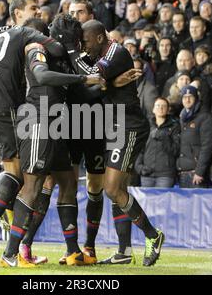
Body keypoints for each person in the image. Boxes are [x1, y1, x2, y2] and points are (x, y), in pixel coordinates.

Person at [0, 17, 105, 268]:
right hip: (37, 119)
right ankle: (10, 252)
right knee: (33, 187)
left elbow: (82, 92)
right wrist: (82, 79)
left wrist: (104, 85)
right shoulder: (39, 49)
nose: (79, 43)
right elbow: (42, 76)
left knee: (68, 182)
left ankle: (72, 251)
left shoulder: (68, 58)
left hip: (56, 125)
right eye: (76, 37)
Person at [62, 19, 165, 266]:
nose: (84, 47)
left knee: (111, 188)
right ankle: (124, 252)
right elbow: (89, 88)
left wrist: (77, 55)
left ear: (99, 37)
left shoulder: (116, 52)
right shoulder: (103, 55)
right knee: (119, 190)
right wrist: (108, 84)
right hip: (117, 126)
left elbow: (91, 81)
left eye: (85, 42)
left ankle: (153, 235)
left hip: (129, 126)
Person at [0, 0, 64, 262]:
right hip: (7, 108)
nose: (38, 13)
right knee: (21, 176)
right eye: (33, 9)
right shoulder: (24, 33)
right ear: (17, 14)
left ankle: (8, 233)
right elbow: (57, 49)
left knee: (19, 174)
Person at [135, 97, 180, 188]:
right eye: (158, 105)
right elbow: (139, 149)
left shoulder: (175, 127)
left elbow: (176, 150)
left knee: (163, 202)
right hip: (147, 174)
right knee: (147, 202)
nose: (160, 108)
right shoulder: (146, 126)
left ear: (168, 110)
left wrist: (164, 137)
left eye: (163, 106)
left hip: (165, 175)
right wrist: (139, 167)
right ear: (153, 109)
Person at [177, 85, 212, 188]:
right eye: (185, 97)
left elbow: (207, 146)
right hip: (182, 173)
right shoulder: (182, 117)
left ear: (196, 98)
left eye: (190, 96)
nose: (187, 100)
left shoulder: (205, 117)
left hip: (196, 175)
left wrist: (199, 172)